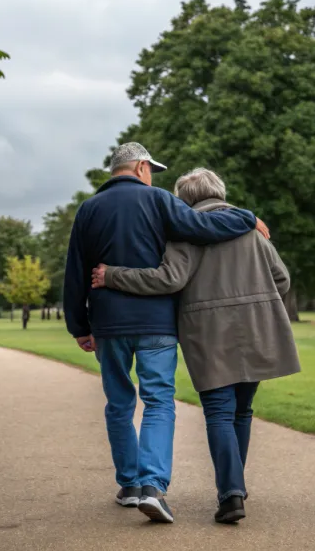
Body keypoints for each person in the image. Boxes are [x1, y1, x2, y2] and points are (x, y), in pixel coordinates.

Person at [63, 144, 269, 524]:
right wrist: (248, 218)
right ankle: (153, 487)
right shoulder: (158, 201)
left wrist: (79, 325)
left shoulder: (89, 209)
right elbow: (205, 226)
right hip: (156, 322)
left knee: (119, 404)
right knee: (158, 401)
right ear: (141, 167)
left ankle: (128, 486)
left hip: (107, 323)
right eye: (151, 170)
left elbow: (75, 271)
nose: (153, 176)